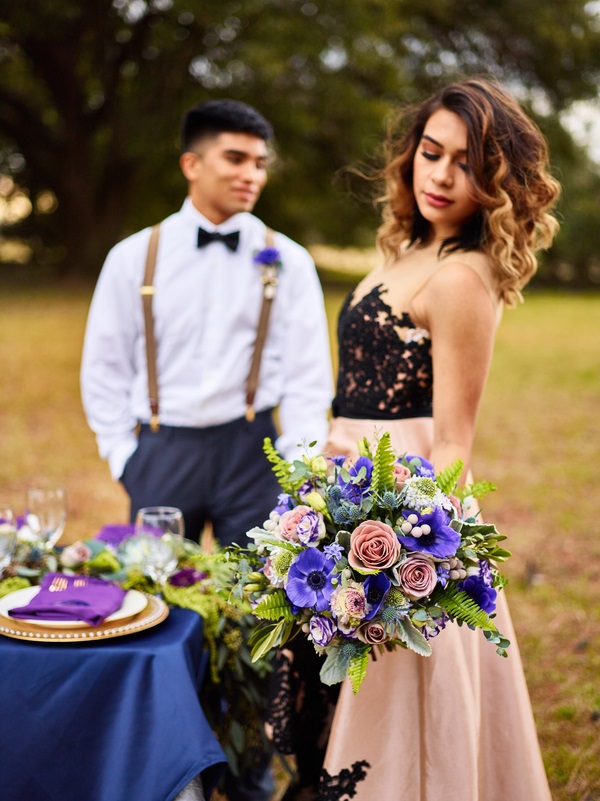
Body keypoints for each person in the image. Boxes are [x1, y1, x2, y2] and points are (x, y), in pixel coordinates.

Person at [81, 99, 333, 801]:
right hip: (160, 449)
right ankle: (167, 767)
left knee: (256, 616)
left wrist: (297, 467)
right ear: (192, 163)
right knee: (160, 612)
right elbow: (104, 367)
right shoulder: (135, 256)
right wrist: (125, 458)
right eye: (235, 158)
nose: (252, 173)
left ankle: (250, 764)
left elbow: (310, 378)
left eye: (260, 162)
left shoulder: (289, 259)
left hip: (253, 452)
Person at [317, 79, 559, 800]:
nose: (442, 175)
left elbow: (453, 440)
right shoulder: (408, 248)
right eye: (431, 152)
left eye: (466, 164)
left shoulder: (463, 276)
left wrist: (401, 550)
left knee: (403, 722)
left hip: (408, 516)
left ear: (497, 183)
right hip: (343, 497)